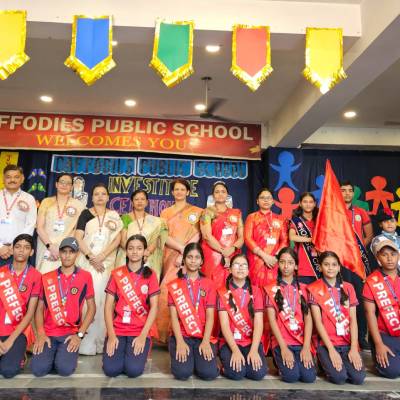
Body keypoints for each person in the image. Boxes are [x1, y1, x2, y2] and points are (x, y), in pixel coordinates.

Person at [31, 237, 96, 377]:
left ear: (77, 254)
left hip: (70, 333)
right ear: (59, 253)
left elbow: (92, 308)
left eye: (71, 252)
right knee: (38, 370)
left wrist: (79, 335)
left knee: (65, 370)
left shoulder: (85, 276)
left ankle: (61, 358)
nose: (67, 255)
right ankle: (55, 357)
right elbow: (39, 309)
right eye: (64, 251)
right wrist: (41, 334)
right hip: (49, 333)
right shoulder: (47, 277)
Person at [75, 183, 123, 355]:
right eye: (96, 194)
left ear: (108, 197)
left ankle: (101, 342)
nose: (100, 197)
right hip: (87, 263)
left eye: (103, 194)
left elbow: (117, 239)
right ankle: (84, 343)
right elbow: (78, 237)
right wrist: (91, 257)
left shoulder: (114, 216)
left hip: (106, 264)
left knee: (104, 302)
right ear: (92, 197)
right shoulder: (85, 214)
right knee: (87, 302)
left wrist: (102, 256)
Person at [103, 234, 160, 377]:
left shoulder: (151, 275)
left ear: (145, 251)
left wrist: (143, 336)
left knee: (133, 371)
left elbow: (154, 307)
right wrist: (111, 335)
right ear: (126, 251)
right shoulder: (117, 274)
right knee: (111, 370)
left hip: (139, 330)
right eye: (131, 248)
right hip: (118, 329)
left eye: (139, 248)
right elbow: (108, 306)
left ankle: (133, 355)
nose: (135, 252)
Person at [307, 251, 365, 385]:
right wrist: (331, 350)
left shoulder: (349, 288)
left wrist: (354, 348)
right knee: (339, 378)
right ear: (320, 267)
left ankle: (339, 361)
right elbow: (318, 322)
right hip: (326, 344)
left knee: (358, 378)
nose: (330, 268)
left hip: (346, 343)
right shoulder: (314, 288)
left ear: (339, 267)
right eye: (326, 264)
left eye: (334, 265)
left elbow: (353, 320)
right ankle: (323, 360)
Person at [157, 179, 203, 343]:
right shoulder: (165, 213)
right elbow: (163, 235)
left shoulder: (197, 211)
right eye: (176, 189)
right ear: (172, 192)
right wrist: (181, 249)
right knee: (166, 291)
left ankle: (187, 333)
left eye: (182, 189)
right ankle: (164, 336)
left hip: (190, 258)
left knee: (187, 293)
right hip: (170, 256)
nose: (179, 192)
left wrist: (185, 253)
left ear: (188, 192)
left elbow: (198, 234)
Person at [167, 243, 219, 381]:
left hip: (202, 336)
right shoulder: (175, 285)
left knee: (208, 374)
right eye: (189, 257)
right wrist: (180, 341)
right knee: (182, 373)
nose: (193, 260)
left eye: (197, 257)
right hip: (182, 335)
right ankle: (184, 358)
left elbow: (210, 317)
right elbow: (173, 318)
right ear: (184, 259)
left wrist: (206, 341)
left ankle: (197, 360)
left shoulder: (209, 284)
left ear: (202, 261)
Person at [265, 247, 316, 383]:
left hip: (300, 341)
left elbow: (308, 319)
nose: (286, 266)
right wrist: (283, 348)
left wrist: (306, 347)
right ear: (278, 264)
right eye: (282, 262)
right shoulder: (271, 289)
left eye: (290, 262)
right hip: (281, 342)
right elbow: (272, 321)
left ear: (296, 266)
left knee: (308, 378)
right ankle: (279, 361)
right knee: (291, 377)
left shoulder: (305, 288)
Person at [218, 254, 267, 381]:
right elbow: (224, 325)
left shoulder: (256, 291)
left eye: (244, 265)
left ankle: (245, 363)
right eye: (236, 265)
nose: (240, 268)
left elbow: (259, 323)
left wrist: (254, 350)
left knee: (258, 374)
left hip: (250, 341)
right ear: (230, 269)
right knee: (237, 373)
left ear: (248, 270)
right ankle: (225, 367)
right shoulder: (222, 292)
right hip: (230, 342)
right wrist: (235, 350)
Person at [0, 234, 41, 378]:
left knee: (8, 371)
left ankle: (19, 353)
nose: (21, 250)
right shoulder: (1, 272)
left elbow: (30, 313)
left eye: (26, 247)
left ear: (32, 252)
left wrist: (10, 341)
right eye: (17, 246)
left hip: (18, 330)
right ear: (12, 249)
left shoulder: (36, 276)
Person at [341, 181, 373, 350]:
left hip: (357, 263)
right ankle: (342, 336)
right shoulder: (334, 212)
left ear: (353, 193)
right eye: (343, 190)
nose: (347, 193)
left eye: (349, 191)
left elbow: (369, 234)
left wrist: (357, 250)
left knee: (359, 299)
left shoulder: (360, 212)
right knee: (341, 298)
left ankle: (361, 337)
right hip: (339, 263)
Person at [363, 240, 400, 379]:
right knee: (392, 371)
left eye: (393, 254)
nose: (389, 258)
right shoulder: (372, 281)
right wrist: (378, 344)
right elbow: (370, 314)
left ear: (398, 255)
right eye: (384, 255)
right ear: (378, 257)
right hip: (384, 335)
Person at [36, 174, 84, 273]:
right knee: (44, 276)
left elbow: (78, 232)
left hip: (67, 250)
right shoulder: (46, 202)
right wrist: (50, 246)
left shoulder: (79, 205)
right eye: (62, 182)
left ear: (71, 187)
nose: (64, 185)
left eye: (68, 183)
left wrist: (65, 248)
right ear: (56, 184)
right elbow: (39, 227)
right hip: (46, 246)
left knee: (64, 278)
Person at [200, 181, 244, 289]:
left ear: (227, 194)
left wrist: (232, 249)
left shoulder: (236, 213)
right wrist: (223, 252)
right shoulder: (206, 212)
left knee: (231, 287)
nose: (220, 194)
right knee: (211, 287)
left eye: (223, 191)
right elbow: (207, 236)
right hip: (213, 255)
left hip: (232, 254)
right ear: (213, 195)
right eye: (217, 192)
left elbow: (241, 237)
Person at [116, 189, 167, 280]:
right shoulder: (125, 218)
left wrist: (147, 252)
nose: (139, 201)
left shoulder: (154, 220)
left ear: (147, 202)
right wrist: (134, 253)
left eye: (142, 199)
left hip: (147, 258)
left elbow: (155, 240)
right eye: (136, 199)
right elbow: (123, 241)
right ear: (132, 202)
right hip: (128, 257)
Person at [244, 188, 288, 287]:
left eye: (269, 198)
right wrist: (264, 256)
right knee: (255, 288)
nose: (266, 200)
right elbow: (247, 238)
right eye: (262, 198)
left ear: (273, 201)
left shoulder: (280, 219)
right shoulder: (251, 217)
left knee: (273, 289)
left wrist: (276, 257)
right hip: (256, 259)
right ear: (257, 201)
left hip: (274, 260)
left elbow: (284, 240)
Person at [0, 165, 36, 266]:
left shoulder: (29, 198)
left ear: (22, 179)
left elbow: (30, 224)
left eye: (16, 177)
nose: (12, 180)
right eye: (8, 177)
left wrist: (16, 246)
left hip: (18, 253)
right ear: (3, 179)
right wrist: (0, 247)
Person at [289, 192, 320, 284]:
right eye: (305, 202)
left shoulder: (319, 220)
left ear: (314, 204)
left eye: (311, 202)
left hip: (319, 264)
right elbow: (292, 237)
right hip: (303, 265)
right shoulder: (296, 220)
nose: (308, 204)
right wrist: (311, 240)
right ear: (300, 203)